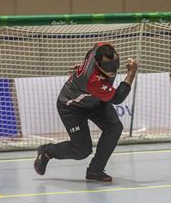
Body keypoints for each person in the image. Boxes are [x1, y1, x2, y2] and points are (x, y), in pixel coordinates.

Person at [34, 42, 138, 181]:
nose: (112, 69)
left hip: (95, 101)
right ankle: (47, 151)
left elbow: (92, 49)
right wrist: (131, 72)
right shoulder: (93, 81)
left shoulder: (100, 47)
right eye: (107, 66)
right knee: (82, 150)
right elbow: (118, 98)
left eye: (115, 62)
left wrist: (83, 65)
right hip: (72, 106)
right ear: (98, 62)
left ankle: (95, 171)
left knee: (114, 127)